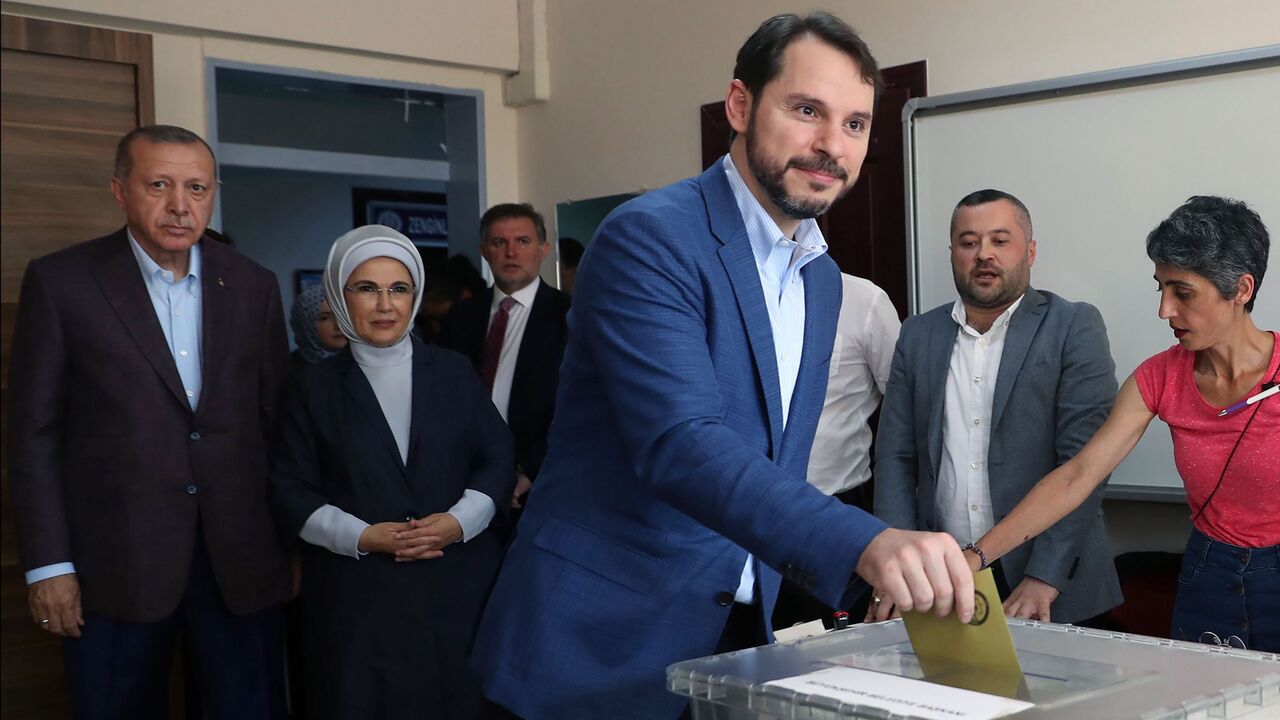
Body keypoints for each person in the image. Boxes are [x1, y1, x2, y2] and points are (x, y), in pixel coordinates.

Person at [472, 14, 974, 720]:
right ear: (740, 106)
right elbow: (680, 442)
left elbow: (779, 458)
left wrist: (860, 580)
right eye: (807, 111)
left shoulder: (822, 277)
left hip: (738, 637)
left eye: (856, 124)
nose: (832, 145)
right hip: (599, 641)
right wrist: (865, 542)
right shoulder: (649, 237)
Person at [9, 125, 291, 718]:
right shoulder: (63, 283)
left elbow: (275, 426)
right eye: (159, 185)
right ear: (120, 190)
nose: (179, 205)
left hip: (238, 564)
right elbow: (35, 437)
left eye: (196, 187)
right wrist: (50, 565)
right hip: (115, 568)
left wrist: (288, 547)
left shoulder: (253, 285)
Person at [967, 195, 1277, 651]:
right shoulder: (1159, 376)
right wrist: (975, 557)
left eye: (1183, 293)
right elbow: (1078, 474)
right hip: (1209, 574)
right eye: (1162, 288)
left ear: (1241, 290)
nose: (1164, 310)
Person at [269, 225, 515, 718]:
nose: (385, 305)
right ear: (342, 297)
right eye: (367, 288)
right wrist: (362, 536)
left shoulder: (453, 371)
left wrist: (459, 521)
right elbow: (289, 488)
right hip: (357, 599)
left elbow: (497, 457)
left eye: (398, 289)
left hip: (456, 592)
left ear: (415, 297)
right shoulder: (310, 388)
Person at [870, 189, 1122, 625]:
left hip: (1044, 581)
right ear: (952, 253)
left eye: (1000, 241)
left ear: (1031, 250)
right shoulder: (917, 335)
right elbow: (895, 456)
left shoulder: (1073, 326)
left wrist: (1046, 575)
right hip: (942, 575)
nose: (983, 254)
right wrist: (895, 561)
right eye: (968, 242)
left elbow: (1084, 466)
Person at [773, 272, 900, 629]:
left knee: (834, 656)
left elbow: (907, 415)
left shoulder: (864, 300)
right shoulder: (733, 295)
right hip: (741, 516)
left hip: (836, 514)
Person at [440, 203, 571, 513]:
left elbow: (582, 405)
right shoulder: (460, 316)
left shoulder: (571, 316)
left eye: (522, 241)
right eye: (500, 243)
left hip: (539, 485)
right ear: (485, 250)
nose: (511, 253)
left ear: (543, 249)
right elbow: (443, 397)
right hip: (464, 481)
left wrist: (530, 468)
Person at [289, 283, 346, 370]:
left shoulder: (367, 362)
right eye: (325, 318)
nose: (339, 325)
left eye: (344, 315)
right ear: (306, 324)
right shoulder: (287, 371)